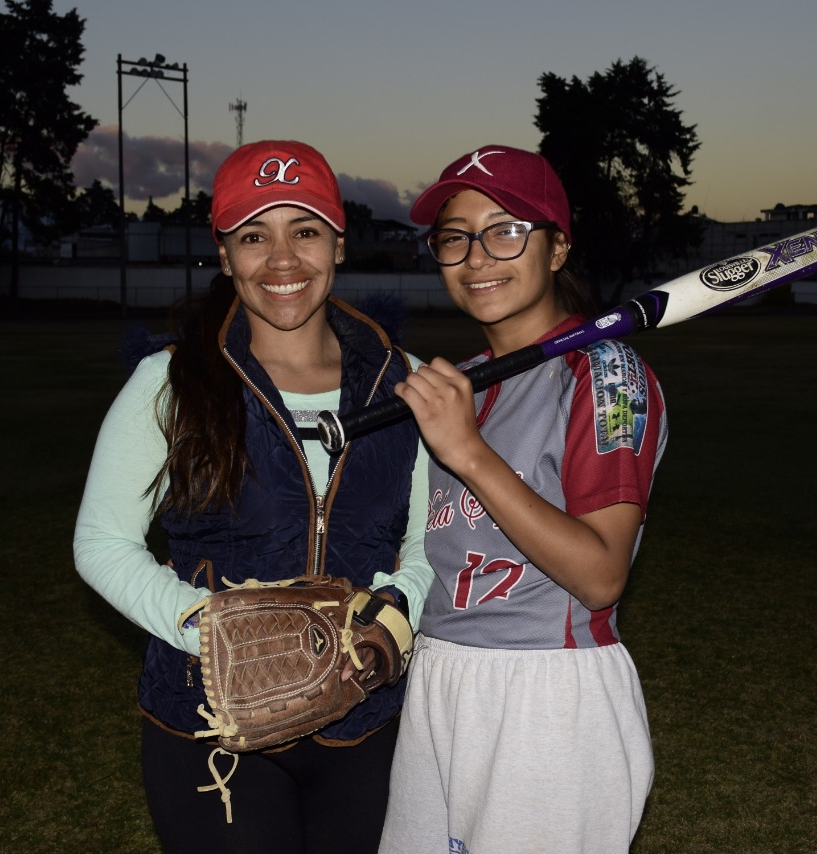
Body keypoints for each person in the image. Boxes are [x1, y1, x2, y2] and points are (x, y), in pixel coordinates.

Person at [73, 140, 434, 853]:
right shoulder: (169, 382)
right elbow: (102, 542)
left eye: (304, 231)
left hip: (364, 720)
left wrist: (395, 614)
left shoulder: (406, 383)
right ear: (224, 252)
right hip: (209, 721)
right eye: (253, 236)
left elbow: (427, 543)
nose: (282, 260)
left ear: (337, 241)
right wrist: (213, 633)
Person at [378, 145, 667, 854]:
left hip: (544, 693)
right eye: (455, 236)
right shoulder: (464, 380)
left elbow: (601, 575)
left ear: (558, 247)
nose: (477, 257)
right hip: (442, 675)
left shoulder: (607, 378)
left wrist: (469, 451)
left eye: (506, 229)